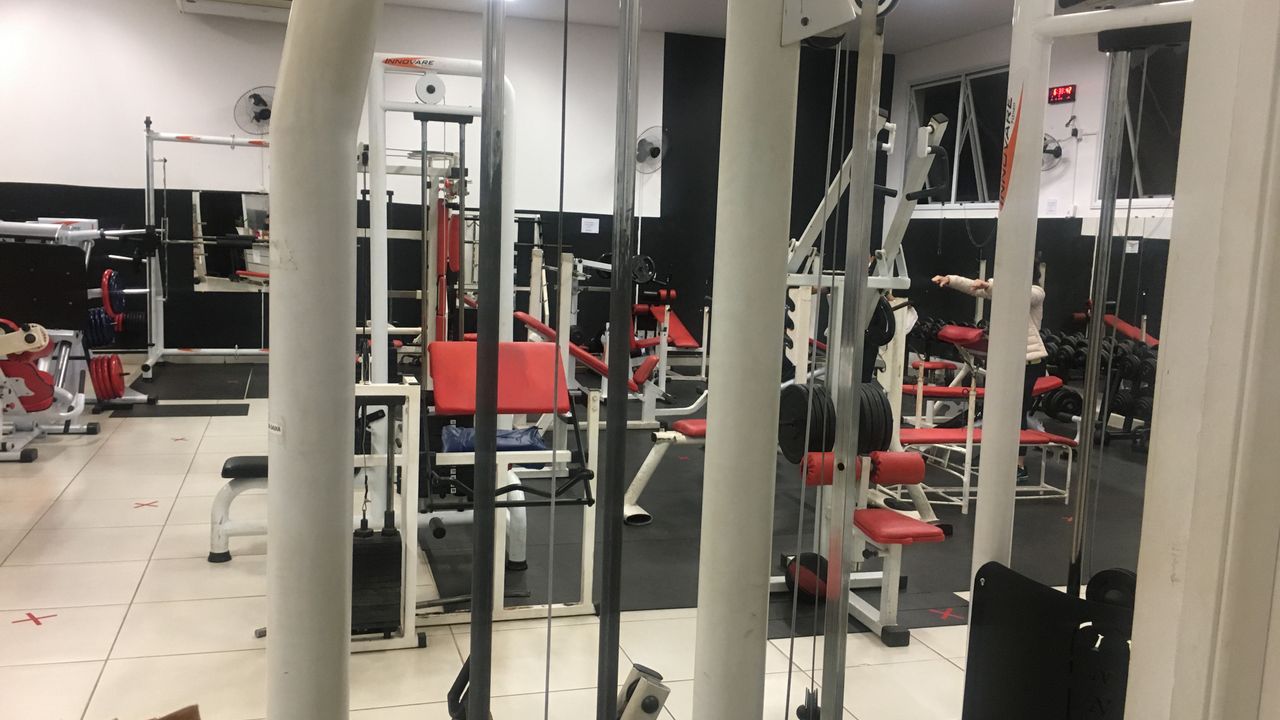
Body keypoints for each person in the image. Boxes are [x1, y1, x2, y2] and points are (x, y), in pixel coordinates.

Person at [932, 273, 1047, 484]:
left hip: (1029, 362)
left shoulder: (1036, 292)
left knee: (1017, 412)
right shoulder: (1003, 291)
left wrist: (990, 284)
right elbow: (974, 287)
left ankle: (1019, 465)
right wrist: (951, 279)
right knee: (999, 410)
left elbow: (1020, 295)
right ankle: (997, 456)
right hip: (1006, 361)